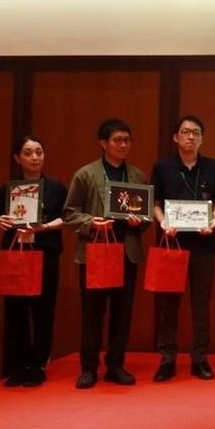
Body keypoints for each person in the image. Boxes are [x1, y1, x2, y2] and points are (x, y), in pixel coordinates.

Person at [62, 118, 149, 389]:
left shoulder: (136, 176)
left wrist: (140, 221)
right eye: (117, 140)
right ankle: (88, 369)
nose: (123, 145)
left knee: (122, 314)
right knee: (92, 313)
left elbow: (146, 217)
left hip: (127, 251)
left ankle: (115, 366)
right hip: (96, 252)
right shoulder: (85, 174)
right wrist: (91, 223)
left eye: (127, 140)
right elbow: (69, 214)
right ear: (103, 143)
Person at [150, 115, 215, 382]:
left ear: (202, 138)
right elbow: (155, 202)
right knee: (167, 305)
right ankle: (167, 359)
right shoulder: (162, 167)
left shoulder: (213, 167)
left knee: (201, 304)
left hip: (203, 245)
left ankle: (200, 359)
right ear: (176, 137)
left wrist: (213, 221)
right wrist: (163, 224)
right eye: (185, 132)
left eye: (196, 132)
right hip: (170, 243)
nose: (190, 137)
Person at [0, 136, 66, 387]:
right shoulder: (7, 189)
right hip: (17, 254)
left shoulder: (56, 188)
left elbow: (68, 218)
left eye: (39, 152)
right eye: (28, 153)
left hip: (45, 253)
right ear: (17, 158)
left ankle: (38, 365)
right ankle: (19, 366)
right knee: (16, 311)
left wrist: (44, 226)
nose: (34, 157)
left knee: (43, 311)